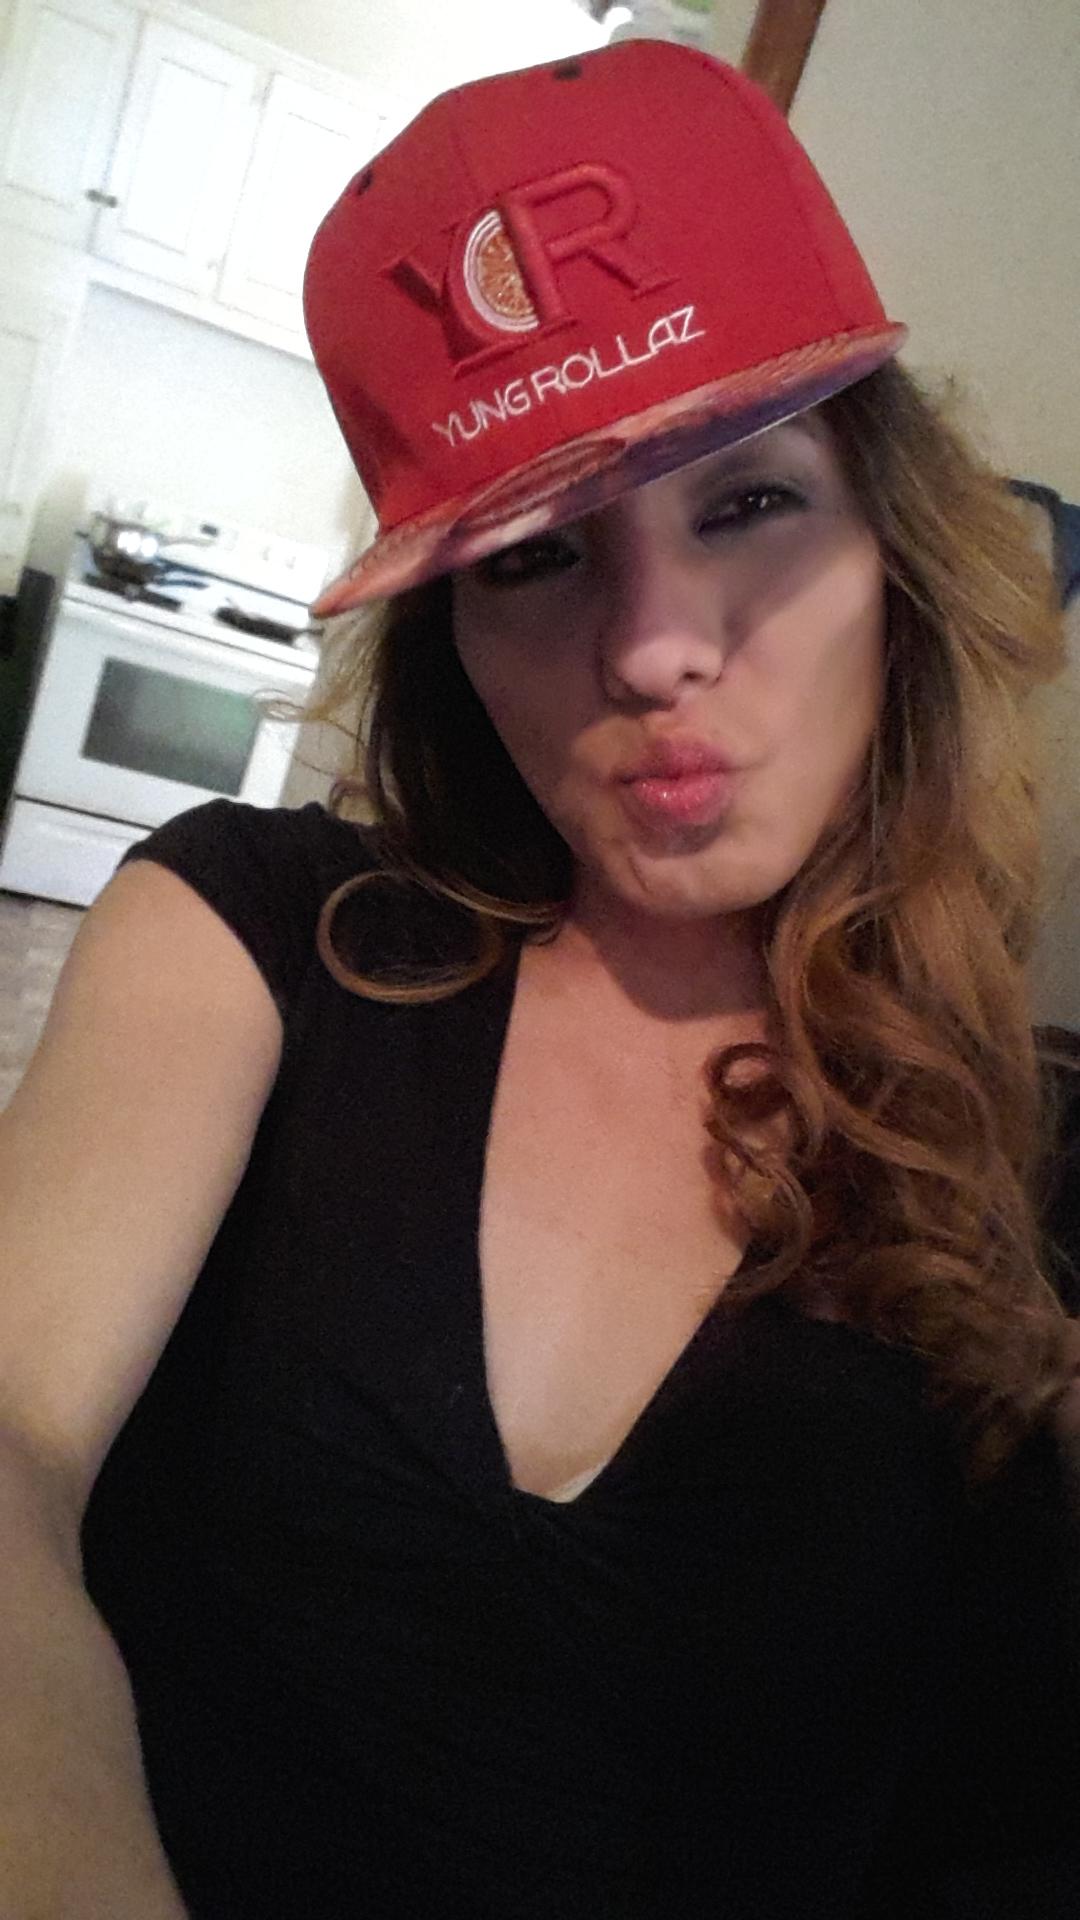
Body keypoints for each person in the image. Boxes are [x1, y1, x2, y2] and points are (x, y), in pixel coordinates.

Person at [0, 36, 1078, 1920]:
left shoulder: (1035, 1166)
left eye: (747, 503)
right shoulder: (254, 932)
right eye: (537, 556)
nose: (652, 648)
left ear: (893, 546)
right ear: (453, 635)